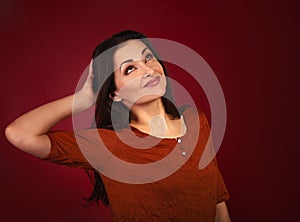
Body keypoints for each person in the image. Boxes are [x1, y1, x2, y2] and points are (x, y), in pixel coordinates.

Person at [5, 30, 231, 221]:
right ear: (115, 93)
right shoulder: (109, 145)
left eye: (148, 57)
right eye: (130, 69)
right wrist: (84, 97)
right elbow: (19, 133)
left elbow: (218, 201)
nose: (148, 69)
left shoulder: (196, 120)